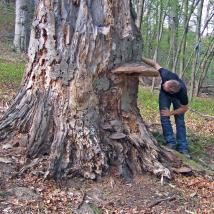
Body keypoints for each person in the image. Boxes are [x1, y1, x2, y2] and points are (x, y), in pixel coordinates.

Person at [142, 57, 189, 155]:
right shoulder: (167, 75)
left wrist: (171, 113)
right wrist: (141, 58)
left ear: (171, 90)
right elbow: (155, 64)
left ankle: (183, 147)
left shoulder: (182, 93)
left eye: (165, 86)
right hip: (165, 96)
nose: (162, 85)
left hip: (177, 100)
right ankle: (170, 142)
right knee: (164, 116)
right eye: (165, 83)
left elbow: (184, 108)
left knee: (179, 121)